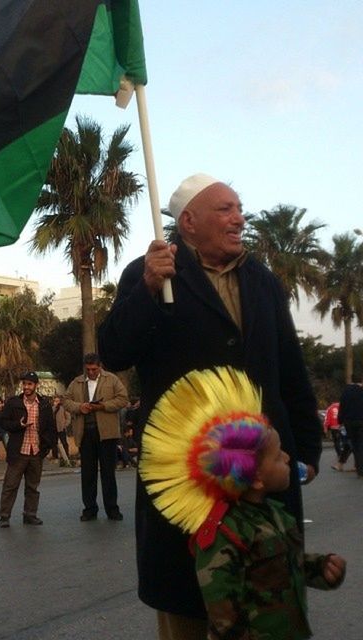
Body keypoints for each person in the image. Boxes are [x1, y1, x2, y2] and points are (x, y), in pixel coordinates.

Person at [98, 174, 323, 638]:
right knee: (187, 601)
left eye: (239, 208)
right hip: (190, 471)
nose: (239, 218)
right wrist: (146, 288)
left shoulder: (261, 280)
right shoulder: (151, 270)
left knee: (266, 596)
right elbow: (116, 352)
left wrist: (306, 452)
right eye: (225, 209)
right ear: (188, 221)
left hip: (262, 466)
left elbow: (290, 372)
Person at [140, 367, 346, 640]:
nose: (287, 458)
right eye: (277, 456)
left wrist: (321, 568)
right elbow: (223, 615)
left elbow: (285, 566)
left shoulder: (276, 514)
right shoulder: (225, 535)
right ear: (257, 478)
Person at [63, 353, 129, 521]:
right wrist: (79, 407)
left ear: (100, 366)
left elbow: (123, 399)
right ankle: (90, 509)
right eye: (88, 369)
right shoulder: (77, 382)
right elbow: (65, 400)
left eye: (94, 369)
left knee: (108, 473)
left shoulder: (112, 380)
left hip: (107, 434)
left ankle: (112, 509)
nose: (91, 372)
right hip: (85, 433)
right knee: (88, 474)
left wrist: (103, 406)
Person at [0, 371, 56, 528]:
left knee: (32, 487)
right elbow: (3, 422)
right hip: (18, 452)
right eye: (24, 384)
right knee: (10, 485)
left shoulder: (43, 405)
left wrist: (47, 447)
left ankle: (30, 514)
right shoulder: (13, 403)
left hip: (36, 452)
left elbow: (51, 428)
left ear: (36, 385)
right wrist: (18, 425)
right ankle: (4, 516)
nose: (26, 387)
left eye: (29, 384)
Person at [338, 373, 363, 477]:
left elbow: (341, 407)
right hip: (361, 420)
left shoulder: (346, 391)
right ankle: (360, 469)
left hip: (349, 422)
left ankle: (359, 469)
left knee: (355, 444)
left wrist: (340, 421)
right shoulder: (361, 391)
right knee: (361, 445)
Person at [323, 401, 351, 471]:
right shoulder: (343, 407)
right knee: (347, 441)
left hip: (334, 428)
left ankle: (339, 454)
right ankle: (343, 454)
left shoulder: (330, 408)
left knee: (336, 442)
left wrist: (325, 427)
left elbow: (327, 419)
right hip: (343, 426)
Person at [51, 395, 72, 466]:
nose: (56, 402)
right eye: (55, 401)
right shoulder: (52, 409)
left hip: (61, 428)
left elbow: (68, 417)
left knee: (64, 442)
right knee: (54, 443)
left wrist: (65, 425)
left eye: (57, 401)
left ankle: (66, 456)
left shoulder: (63, 408)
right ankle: (55, 456)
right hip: (53, 428)